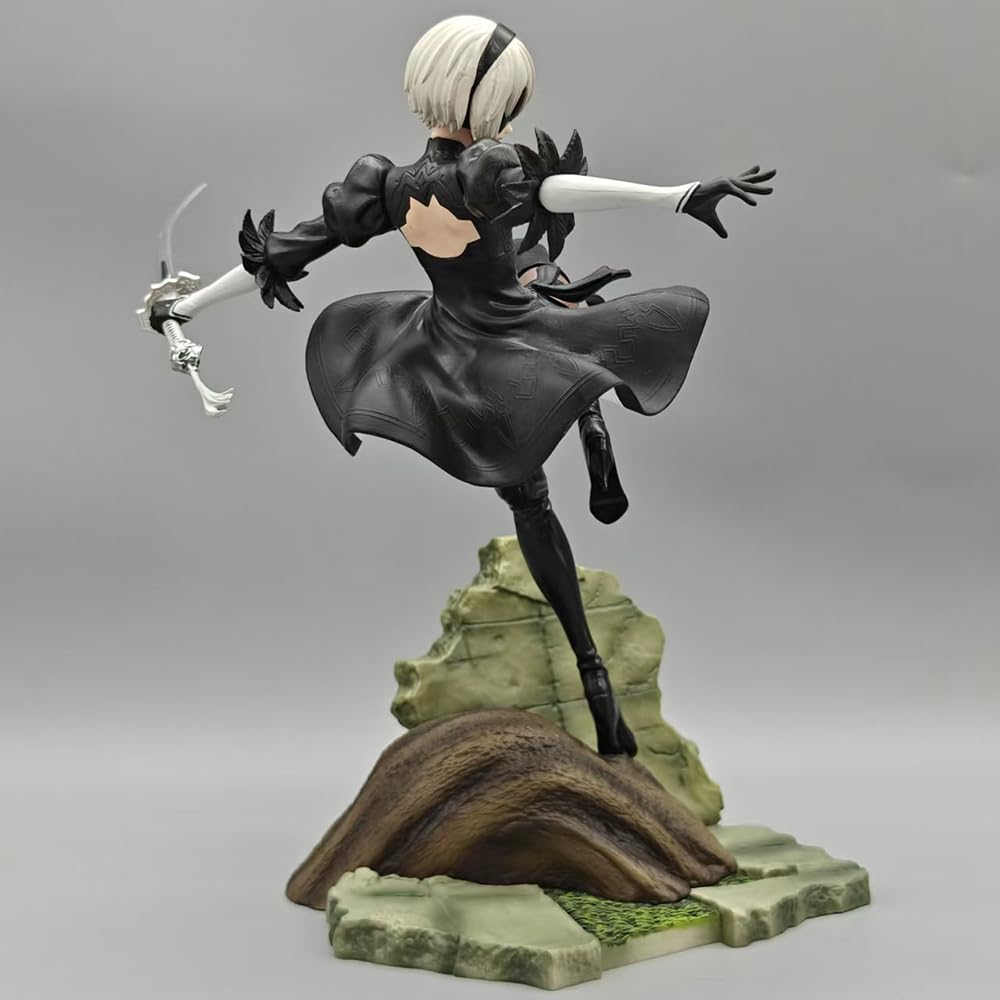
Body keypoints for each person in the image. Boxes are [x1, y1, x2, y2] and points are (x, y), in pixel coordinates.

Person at [150, 14, 775, 757]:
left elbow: (282, 254)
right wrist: (676, 194)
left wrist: (184, 308)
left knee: (531, 498)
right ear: (492, 99)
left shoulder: (384, 186)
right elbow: (559, 191)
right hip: (515, 332)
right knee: (578, 323)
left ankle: (593, 676)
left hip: (449, 353)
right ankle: (593, 426)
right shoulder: (488, 170)